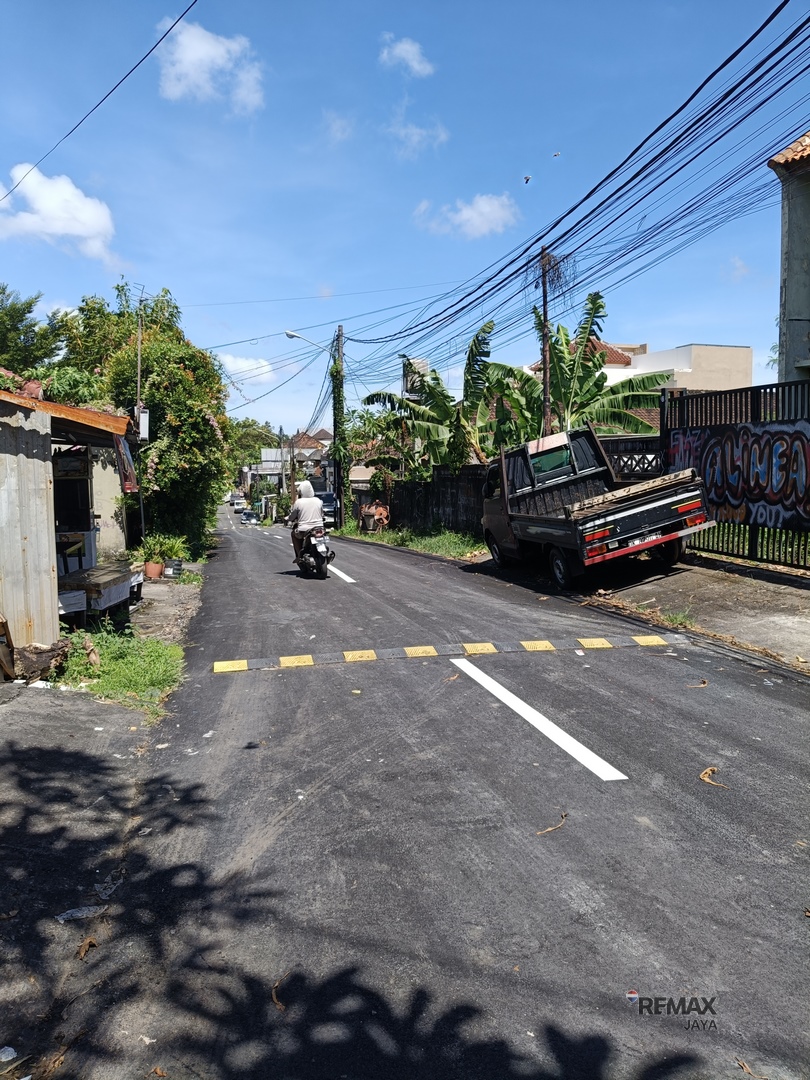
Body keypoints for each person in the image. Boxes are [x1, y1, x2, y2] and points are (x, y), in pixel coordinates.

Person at [287, 480, 324, 562]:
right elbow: (322, 514)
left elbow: (292, 516)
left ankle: (299, 555)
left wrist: (288, 519)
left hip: (304, 530)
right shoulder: (318, 500)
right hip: (319, 528)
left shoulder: (299, 502)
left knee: (293, 534)